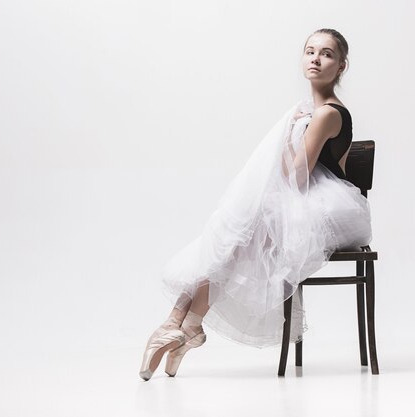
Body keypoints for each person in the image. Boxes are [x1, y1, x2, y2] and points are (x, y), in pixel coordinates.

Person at [139, 28, 372, 380]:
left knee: (246, 231)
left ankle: (180, 324)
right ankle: (184, 326)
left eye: (326, 53)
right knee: (241, 232)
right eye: (310, 51)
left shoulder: (325, 113)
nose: (315, 58)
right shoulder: (306, 111)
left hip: (333, 211)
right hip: (310, 200)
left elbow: (296, 174)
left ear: (342, 65)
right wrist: (295, 131)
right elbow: (290, 173)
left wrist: (294, 134)